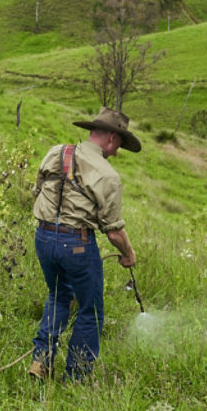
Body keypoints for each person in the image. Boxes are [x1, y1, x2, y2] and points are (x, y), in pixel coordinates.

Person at [28, 107, 140, 382]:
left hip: (43, 237)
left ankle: (40, 363)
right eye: (120, 146)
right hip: (77, 244)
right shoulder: (108, 175)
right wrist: (129, 254)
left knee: (58, 296)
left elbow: (38, 189)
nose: (116, 152)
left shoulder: (56, 152)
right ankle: (77, 377)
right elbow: (113, 232)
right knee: (90, 309)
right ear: (112, 138)